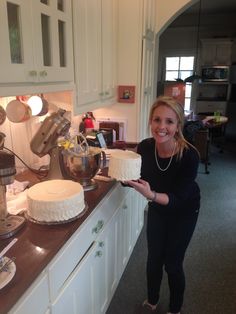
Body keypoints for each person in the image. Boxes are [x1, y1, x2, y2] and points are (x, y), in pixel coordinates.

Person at [125, 96, 200, 314]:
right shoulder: (145, 148)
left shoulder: (189, 156)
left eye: (169, 121)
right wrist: (123, 176)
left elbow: (177, 199)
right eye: (157, 120)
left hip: (184, 211)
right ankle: (152, 299)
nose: (162, 127)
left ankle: (175, 308)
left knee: (173, 264)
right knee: (154, 258)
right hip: (158, 208)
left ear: (178, 126)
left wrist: (151, 194)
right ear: (150, 121)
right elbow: (136, 177)